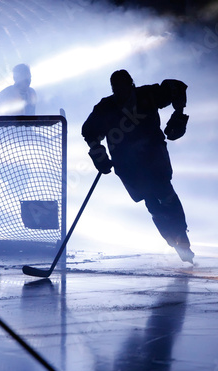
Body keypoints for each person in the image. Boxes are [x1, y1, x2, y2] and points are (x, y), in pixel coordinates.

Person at [82, 69, 194, 263]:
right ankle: (173, 241)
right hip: (128, 166)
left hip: (154, 157)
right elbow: (90, 133)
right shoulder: (106, 107)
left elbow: (176, 87)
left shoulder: (147, 95)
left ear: (131, 84)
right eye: (116, 88)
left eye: (123, 87)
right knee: (151, 202)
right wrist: (98, 154)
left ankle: (181, 237)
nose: (121, 92)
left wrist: (179, 113)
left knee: (165, 193)